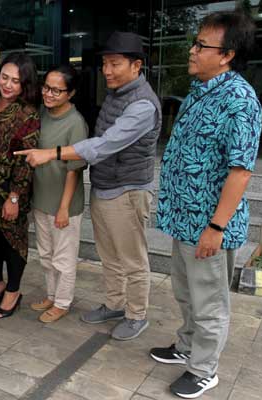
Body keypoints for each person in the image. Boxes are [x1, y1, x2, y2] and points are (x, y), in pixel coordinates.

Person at [16, 31, 161, 340]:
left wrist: (51, 154)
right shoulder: (116, 93)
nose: (107, 71)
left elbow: (104, 144)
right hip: (104, 187)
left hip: (128, 191)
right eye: (105, 63)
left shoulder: (143, 105)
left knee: (132, 259)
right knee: (109, 255)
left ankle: (136, 315)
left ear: (136, 66)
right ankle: (115, 304)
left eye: (115, 64)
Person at [150, 11, 261, 399]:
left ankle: (203, 369)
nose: (192, 50)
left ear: (227, 54)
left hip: (207, 226)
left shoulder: (239, 100)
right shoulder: (200, 91)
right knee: (185, 292)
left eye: (201, 45)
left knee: (209, 302)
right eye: (194, 43)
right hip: (183, 218)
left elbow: (240, 172)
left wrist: (215, 228)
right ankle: (186, 346)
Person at [0, 53, 40, 319]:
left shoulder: (27, 114)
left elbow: (26, 161)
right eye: (4, 77)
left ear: (24, 84)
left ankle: (13, 290)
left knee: (13, 241)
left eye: (15, 81)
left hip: (10, 188)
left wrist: (14, 197)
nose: (7, 84)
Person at [29, 65, 88, 323]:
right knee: (46, 255)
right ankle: (52, 295)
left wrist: (64, 208)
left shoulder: (76, 123)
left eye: (56, 90)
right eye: (46, 87)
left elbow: (74, 171)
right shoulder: (42, 113)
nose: (48, 94)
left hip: (64, 205)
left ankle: (63, 303)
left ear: (70, 93)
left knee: (63, 258)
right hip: (41, 199)